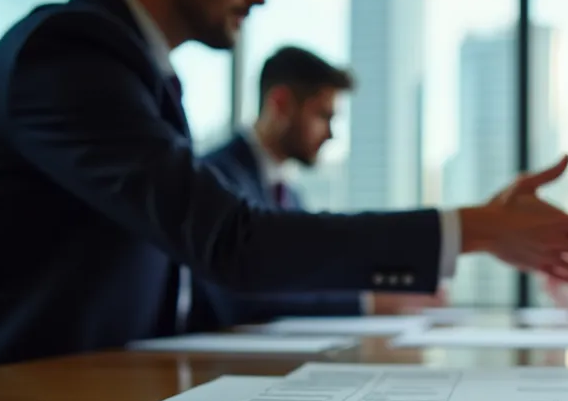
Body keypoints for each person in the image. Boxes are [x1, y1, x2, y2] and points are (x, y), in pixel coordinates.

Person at [0, 0, 568, 377]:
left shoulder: (138, 74)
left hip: (95, 391)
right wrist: (472, 228)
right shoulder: (70, 54)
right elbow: (233, 244)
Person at [190, 46, 444, 332]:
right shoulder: (215, 179)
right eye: (323, 116)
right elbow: (241, 292)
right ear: (281, 103)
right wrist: (368, 302)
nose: (331, 133)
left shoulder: (290, 194)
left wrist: (388, 286)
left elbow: (305, 276)